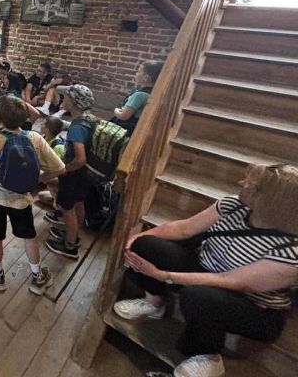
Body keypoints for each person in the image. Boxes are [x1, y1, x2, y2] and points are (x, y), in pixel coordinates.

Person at [114, 164, 298, 377]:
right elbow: (184, 228)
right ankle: (154, 304)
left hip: (253, 305)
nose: (242, 183)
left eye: (254, 186)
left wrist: (163, 275)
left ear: (274, 202)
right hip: (208, 269)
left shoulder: (290, 252)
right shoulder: (233, 205)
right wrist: (140, 237)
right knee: (146, 244)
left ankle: (209, 356)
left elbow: (229, 280)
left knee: (198, 296)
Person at [0, 95, 65, 294]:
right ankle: (37, 276)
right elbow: (60, 168)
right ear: (25, 118)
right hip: (22, 199)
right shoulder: (35, 138)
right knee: (28, 236)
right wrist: (39, 179)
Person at [45, 84, 96, 260]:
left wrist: (63, 170)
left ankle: (70, 245)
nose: (63, 99)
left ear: (74, 102)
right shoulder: (89, 119)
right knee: (78, 204)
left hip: (73, 174)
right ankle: (73, 234)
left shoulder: (76, 128)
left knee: (67, 208)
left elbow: (80, 158)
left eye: (66, 97)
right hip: (85, 174)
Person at [111, 60, 164, 134]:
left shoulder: (139, 95)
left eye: (138, 72)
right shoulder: (155, 94)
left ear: (146, 77)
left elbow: (124, 116)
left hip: (125, 130)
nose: (136, 74)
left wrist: (116, 110)